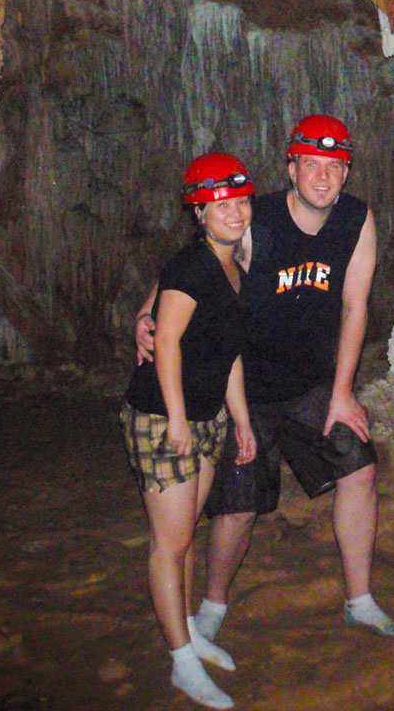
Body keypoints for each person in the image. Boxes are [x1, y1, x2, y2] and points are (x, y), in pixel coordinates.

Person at [136, 115, 394, 644]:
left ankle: (360, 598)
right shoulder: (256, 221)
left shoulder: (356, 220)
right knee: (237, 508)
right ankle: (212, 605)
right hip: (245, 389)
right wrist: (145, 315)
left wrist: (343, 392)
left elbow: (355, 306)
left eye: (334, 167)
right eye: (311, 165)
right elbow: (189, 269)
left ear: (346, 173)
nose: (322, 178)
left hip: (310, 384)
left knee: (359, 467)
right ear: (291, 168)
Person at [121, 152, 258, 710]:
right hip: (162, 417)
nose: (235, 210)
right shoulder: (190, 267)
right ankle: (181, 661)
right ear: (199, 210)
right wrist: (177, 418)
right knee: (170, 543)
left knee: (187, 536)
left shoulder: (235, 270)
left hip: (207, 418)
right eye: (222, 202)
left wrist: (241, 418)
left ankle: (188, 633)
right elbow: (168, 342)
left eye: (242, 200)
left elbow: (228, 354)